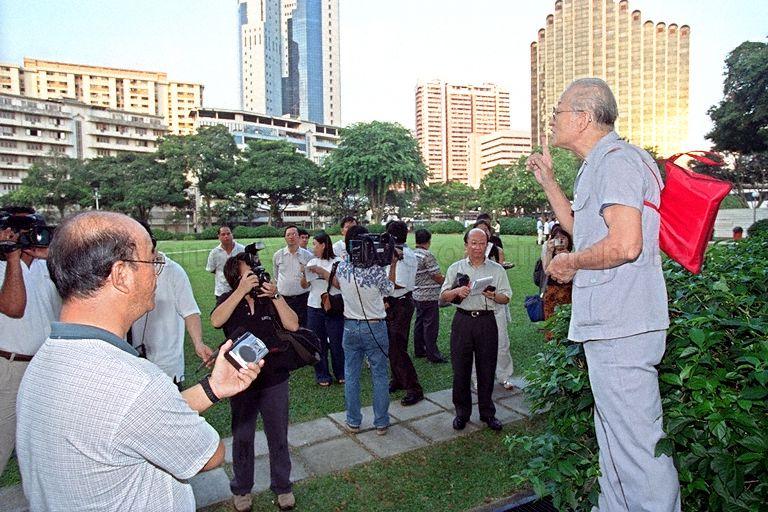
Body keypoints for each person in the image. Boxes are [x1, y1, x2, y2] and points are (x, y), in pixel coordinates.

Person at [16, 211, 262, 511]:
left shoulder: (44, 361)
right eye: (151, 260)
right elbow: (210, 454)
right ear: (121, 275)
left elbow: (131, 423)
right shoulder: (132, 382)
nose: (158, 269)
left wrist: (212, 389)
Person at [527, 77, 680, 511]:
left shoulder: (616, 161)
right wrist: (549, 182)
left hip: (622, 324)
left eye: (557, 112)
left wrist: (570, 263)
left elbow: (625, 245)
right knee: (613, 437)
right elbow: (585, 228)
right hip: (613, 323)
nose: (552, 120)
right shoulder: (601, 165)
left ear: (583, 117)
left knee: (637, 447)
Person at [211, 252, 299, 511]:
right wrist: (239, 292)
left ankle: (283, 486)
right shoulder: (229, 299)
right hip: (241, 382)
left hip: (274, 379)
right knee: (243, 436)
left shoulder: (266, 299)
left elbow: (293, 325)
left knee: (278, 436)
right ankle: (242, 489)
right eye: (249, 270)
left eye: (255, 269)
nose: (255, 273)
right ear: (236, 277)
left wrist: (276, 296)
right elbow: (216, 321)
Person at [0, 208, 61, 478]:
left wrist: (53, 255)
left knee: (45, 444)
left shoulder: (46, 265)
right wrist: (13, 257)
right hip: (10, 368)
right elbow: (14, 307)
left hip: (45, 366)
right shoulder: (3, 266)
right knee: (3, 439)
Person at [440, 228, 512, 432]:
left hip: (487, 322)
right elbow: (443, 296)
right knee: (460, 369)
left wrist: (493, 296)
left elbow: (506, 297)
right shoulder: (456, 268)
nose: (478, 248)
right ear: (466, 245)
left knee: (486, 369)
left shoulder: (497, 270)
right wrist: (456, 291)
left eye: (482, 243)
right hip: (463, 322)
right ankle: (462, 413)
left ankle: (487, 413)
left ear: (487, 245)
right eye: (473, 243)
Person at [131, 221, 213, 389]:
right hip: (134, 362)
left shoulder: (174, 272)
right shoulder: (128, 270)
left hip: (167, 365)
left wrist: (198, 343)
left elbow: (190, 311)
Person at [333, 225, 396, 435]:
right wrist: (392, 265)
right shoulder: (376, 270)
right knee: (379, 374)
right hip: (375, 326)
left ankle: (353, 421)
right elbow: (390, 290)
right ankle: (381, 422)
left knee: (351, 375)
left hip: (350, 326)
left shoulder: (341, 267)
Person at [472, 221, 516, 390]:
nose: (482, 234)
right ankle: (477, 378)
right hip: (476, 308)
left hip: (496, 305)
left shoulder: (497, 251)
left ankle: (504, 376)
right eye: (478, 232)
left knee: (502, 343)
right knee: (477, 347)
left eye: (485, 232)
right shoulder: (466, 258)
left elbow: (502, 269)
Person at [384, 220, 424, 406]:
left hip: (400, 303)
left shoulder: (404, 256)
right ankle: (397, 379)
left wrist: (381, 288)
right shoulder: (395, 253)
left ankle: (414, 388)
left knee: (397, 347)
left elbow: (396, 284)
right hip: (392, 302)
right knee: (391, 345)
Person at [302, 232, 345, 386]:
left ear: (323, 245)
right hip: (314, 306)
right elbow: (304, 285)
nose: (313, 247)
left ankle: (340, 372)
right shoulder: (311, 262)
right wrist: (304, 273)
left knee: (336, 341)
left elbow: (339, 284)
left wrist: (322, 272)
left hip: (333, 306)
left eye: (314, 244)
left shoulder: (338, 262)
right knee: (317, 342)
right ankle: (322, 374)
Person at [412, 228, 447, 363]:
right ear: (429, 241)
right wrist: (448, 282)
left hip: (417, 294)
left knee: (419, 323)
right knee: (430, 326)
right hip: (429, 295)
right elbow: (436, 276)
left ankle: (419, 350)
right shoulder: (427, 255)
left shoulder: (412, 254)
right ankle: (433, 355)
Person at [273, 225, 313, 327]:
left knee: (303, 326)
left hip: (302, 299)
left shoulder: (307, 256)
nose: (291, 237)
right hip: (284, 299)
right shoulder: (278, 255)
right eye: (288, 235)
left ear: (299, 237)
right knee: (285, 327)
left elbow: (310, 279)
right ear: (285, 238)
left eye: (294, 234)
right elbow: (276, 276)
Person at [540, 225, 573, 321]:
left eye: (563, 238)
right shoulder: (548, 252)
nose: (560, 241)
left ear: (569, 239)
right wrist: (549, 252)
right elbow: (547, 271)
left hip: (569, 291)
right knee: (551, 321)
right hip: (552, 291)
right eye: (557, 238)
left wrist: (568, 257)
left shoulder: (574, 253)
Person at [206, 225, 244, 300]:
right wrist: (225, 273)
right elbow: (211, 269)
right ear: (219, 237)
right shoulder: (214, 253)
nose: (226, 236)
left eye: (228, 234)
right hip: (222, 291)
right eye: (223, 234)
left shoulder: (242, 249)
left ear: (232, 234)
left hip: (240, 289)